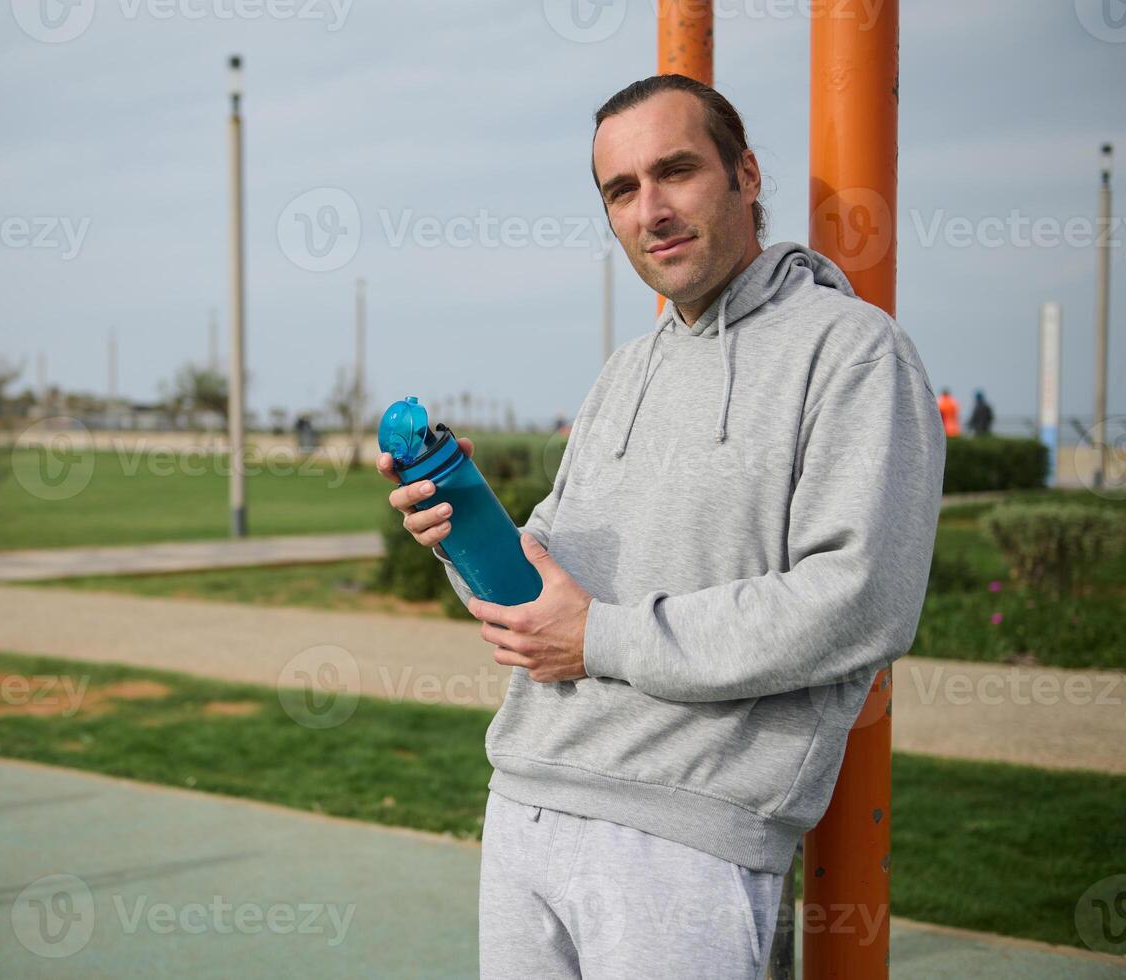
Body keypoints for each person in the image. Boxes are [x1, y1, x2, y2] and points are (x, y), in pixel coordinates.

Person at [377, 74, 945, 978]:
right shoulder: (622, 372)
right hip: (524, 799)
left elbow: (861, 600)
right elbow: (543, 602)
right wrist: (461, 533)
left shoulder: (854, 352)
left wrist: (600, 637)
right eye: (621, 190)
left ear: (745, 174)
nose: (651, 209)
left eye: (674, 171)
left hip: (685, 837)